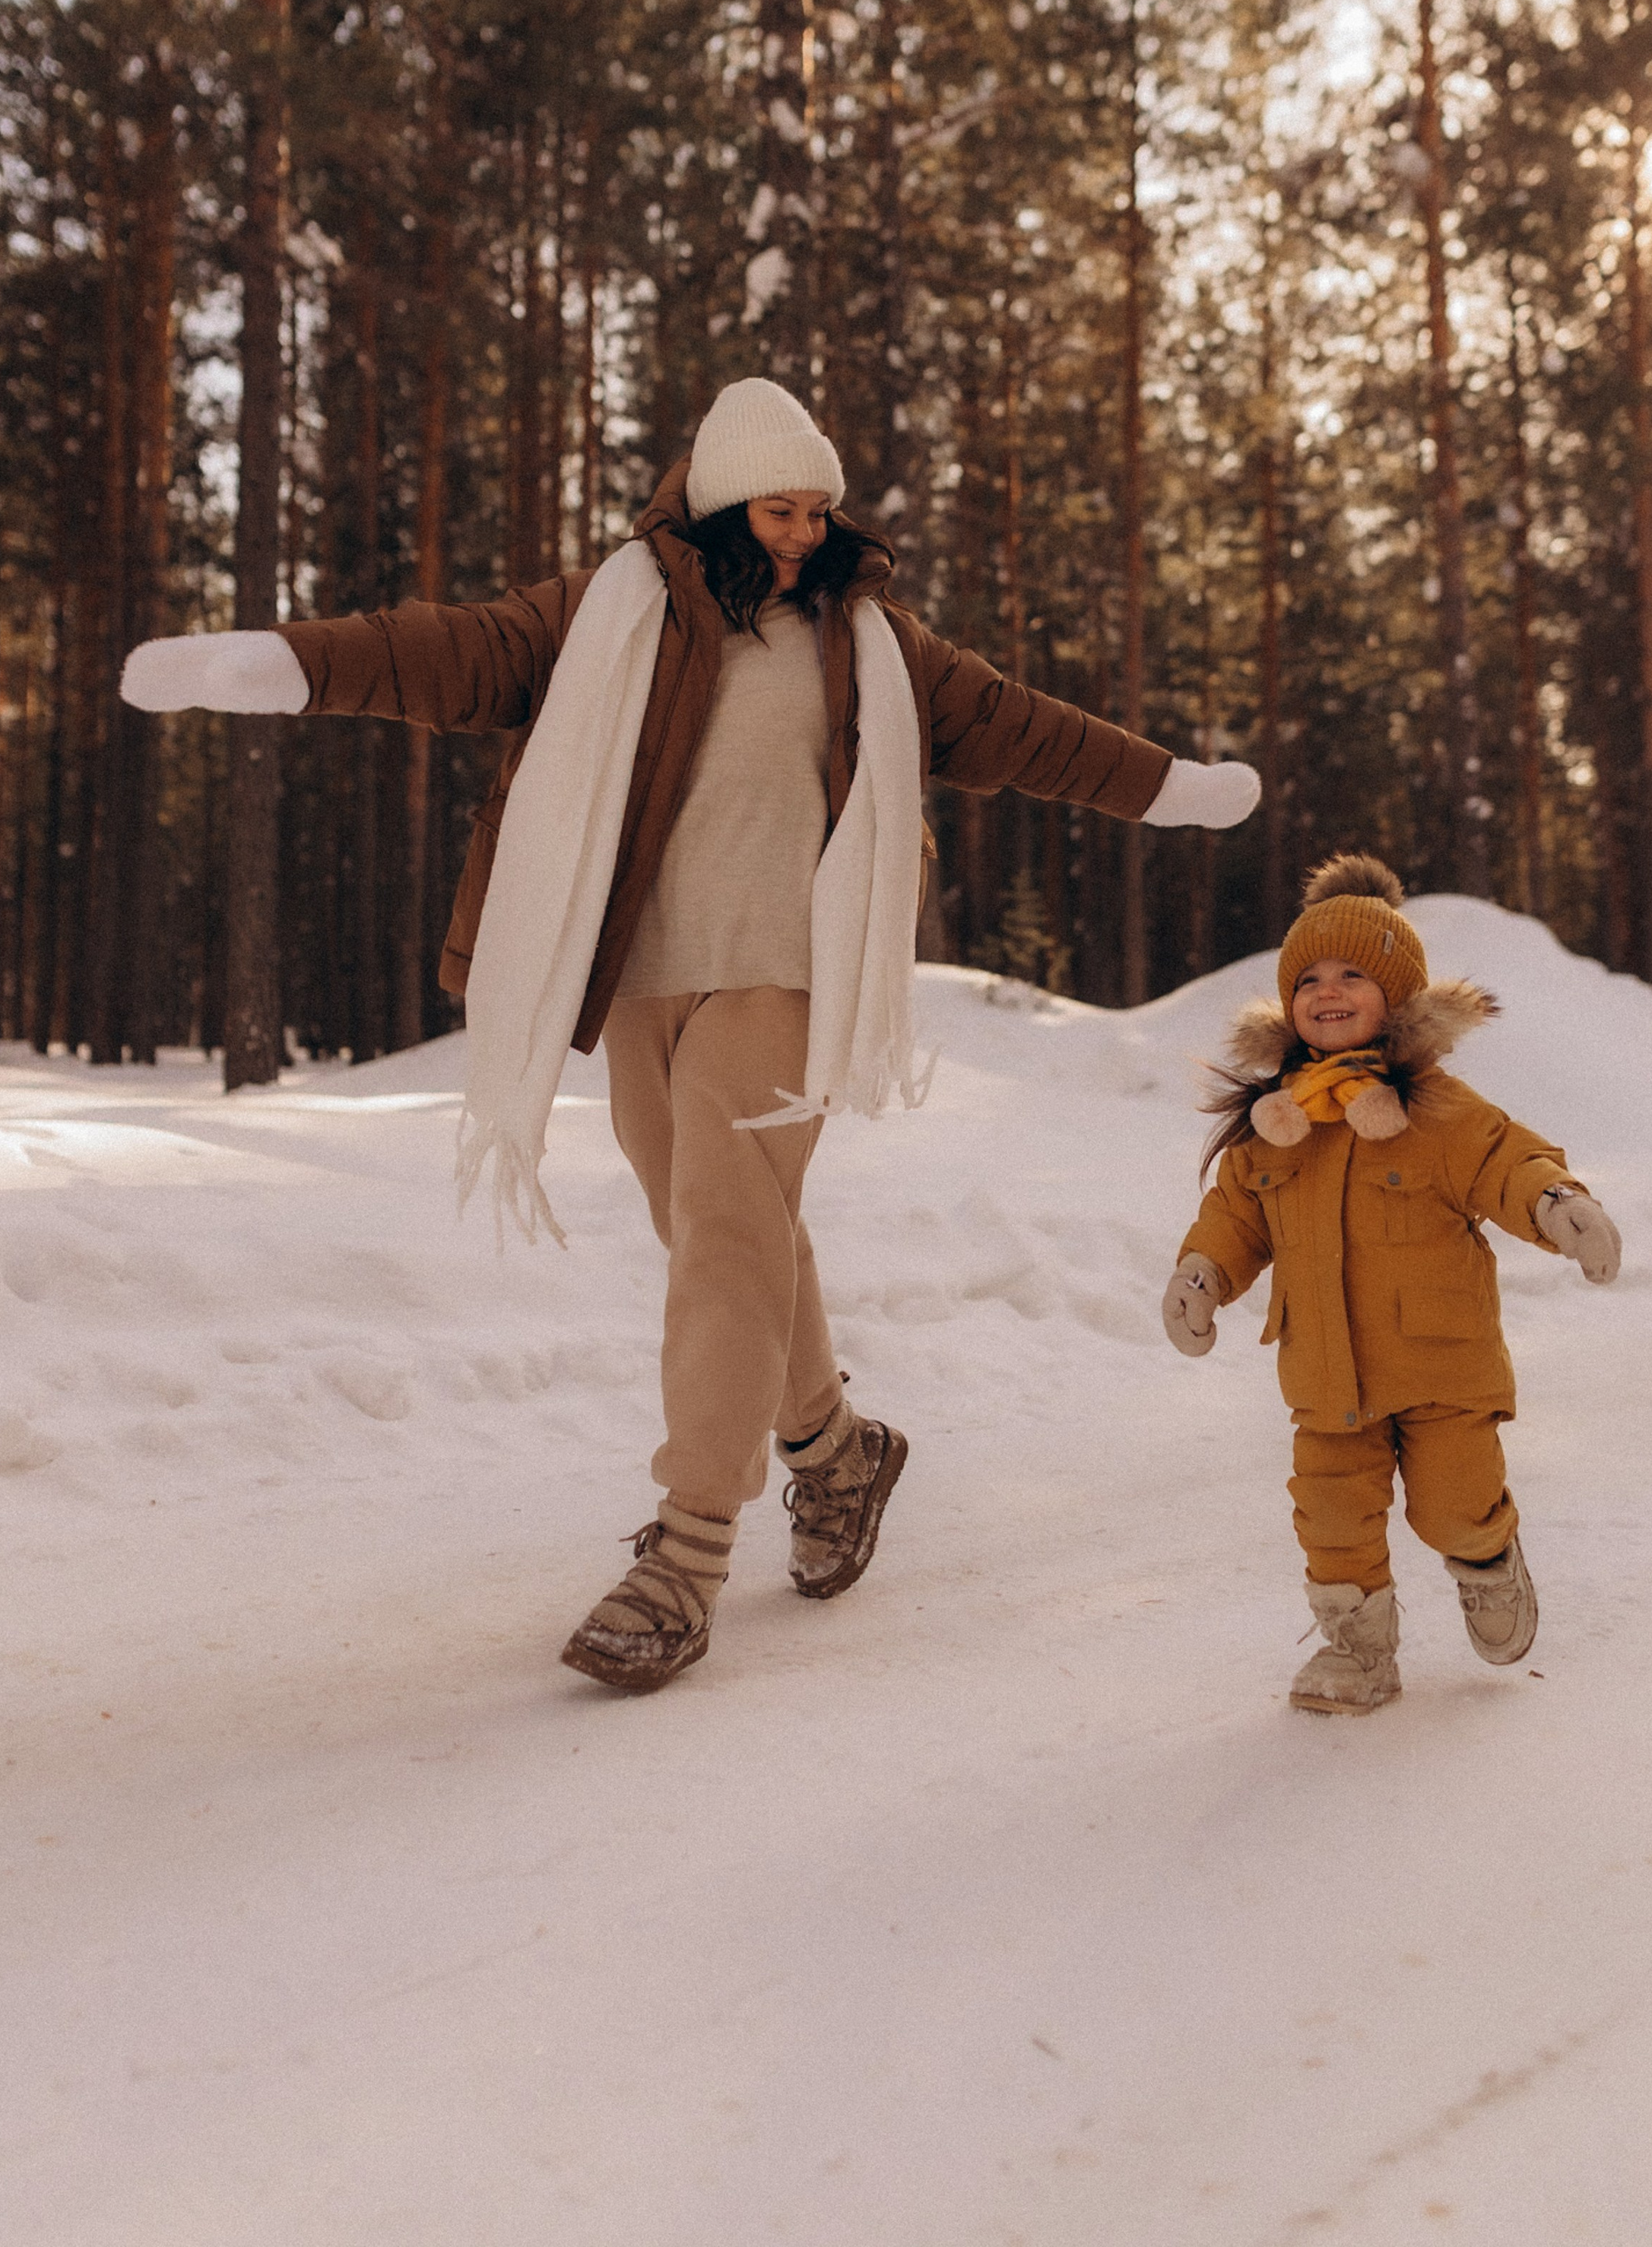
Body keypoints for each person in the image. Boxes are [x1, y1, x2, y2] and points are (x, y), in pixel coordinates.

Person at [122, 377, 1262, 1693]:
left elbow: (1022, 729)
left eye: (819, 511)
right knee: (730, 1232)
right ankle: (837, 1454)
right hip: (645, 976)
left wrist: (1169, 787)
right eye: (779, 508)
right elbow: (453, 653)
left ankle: (686, 1553)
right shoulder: (611, 612)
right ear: (719, 500)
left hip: (784, 968)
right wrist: (284, 662)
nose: (801, 533)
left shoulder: (869, 640)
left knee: (726, 1235)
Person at [1162, 852, 1621, 1715]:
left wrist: (1558, 1205)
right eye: (1309, 979)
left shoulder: (1442, 1113)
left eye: (1353, 975)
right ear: (1288, 1003)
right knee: (1330, 1522)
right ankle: (1357, 1653)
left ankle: (1486, 1557)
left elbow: (1507, 1162)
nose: (1327, 992)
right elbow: (1235, 1217)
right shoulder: (1274, 1129)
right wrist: (1201, 1274)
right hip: (1324, 1372)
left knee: (1451, 1506)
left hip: (1444, 1368)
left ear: (1397, 999)